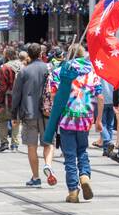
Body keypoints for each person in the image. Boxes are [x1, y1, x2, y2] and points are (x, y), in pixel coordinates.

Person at [42, 44, 104, 203]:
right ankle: (84, 176)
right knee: (82, 150)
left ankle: (73, 191)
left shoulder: (59, 72)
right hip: (85, 119)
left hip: (66, 119)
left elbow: (55, 96)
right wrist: (98, 119)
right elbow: (101, 97)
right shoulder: (92, 73)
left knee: (69, 156)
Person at [10, 43, 56, 186]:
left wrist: (14, 115)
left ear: (28, 55)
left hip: (29, 112)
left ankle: (36, 177)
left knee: (31, 146)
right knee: (48, 143)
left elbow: (16, 94)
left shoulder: (24, 71)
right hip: (47, 112)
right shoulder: (49, 68)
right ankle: (48, 164)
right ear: (42, 54)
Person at [0, 47, 22, 152]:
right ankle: (15, 144)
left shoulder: (4, 68)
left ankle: (4, 142)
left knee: (3, 120)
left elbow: (2, 87)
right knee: (16, 120)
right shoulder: (22, 66)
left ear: (7, 55)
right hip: (19, 98)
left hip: (7, 98)